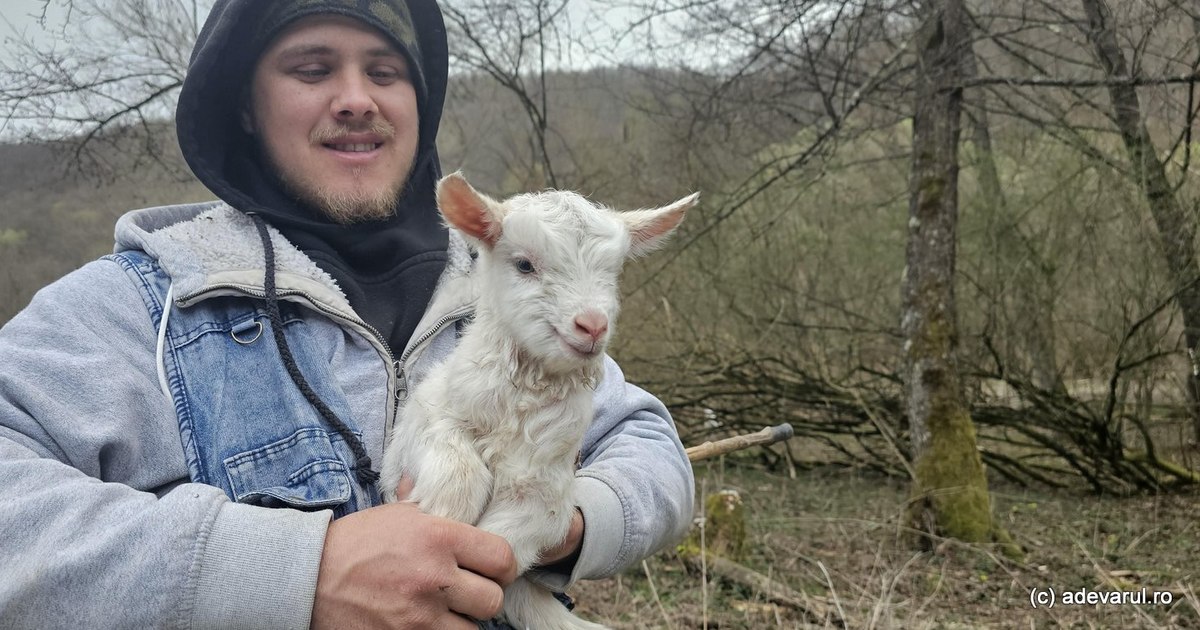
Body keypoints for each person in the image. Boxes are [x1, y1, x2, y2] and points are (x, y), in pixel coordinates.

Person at [0, 1, 695, 628]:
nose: (357, 99)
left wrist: (564, 520)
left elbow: (646, 443)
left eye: (387, 72)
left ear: (420, 106)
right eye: (312, 69)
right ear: (246, 104)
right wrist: (293, 572)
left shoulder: (510, 288)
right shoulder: (140, 307)